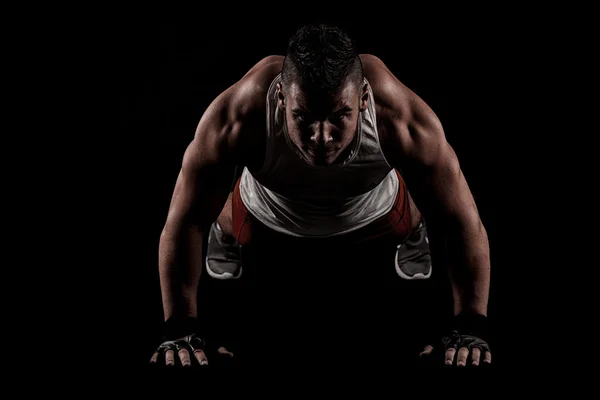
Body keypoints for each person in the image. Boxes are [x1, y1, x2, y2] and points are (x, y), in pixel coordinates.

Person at [150, 24, 492, 368]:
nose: (322, 137)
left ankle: (415, 231)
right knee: (210, 206)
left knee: (433, 199)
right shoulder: (238, 113)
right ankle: (224, 232)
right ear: (281, 97)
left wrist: (471, 326)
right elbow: (186, 220)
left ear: (363, 98)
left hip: (376, 214)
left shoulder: (402, 117)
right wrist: (179, 328)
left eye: (339, 116)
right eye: (304, 116)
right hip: (264, 213)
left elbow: (461, 221)